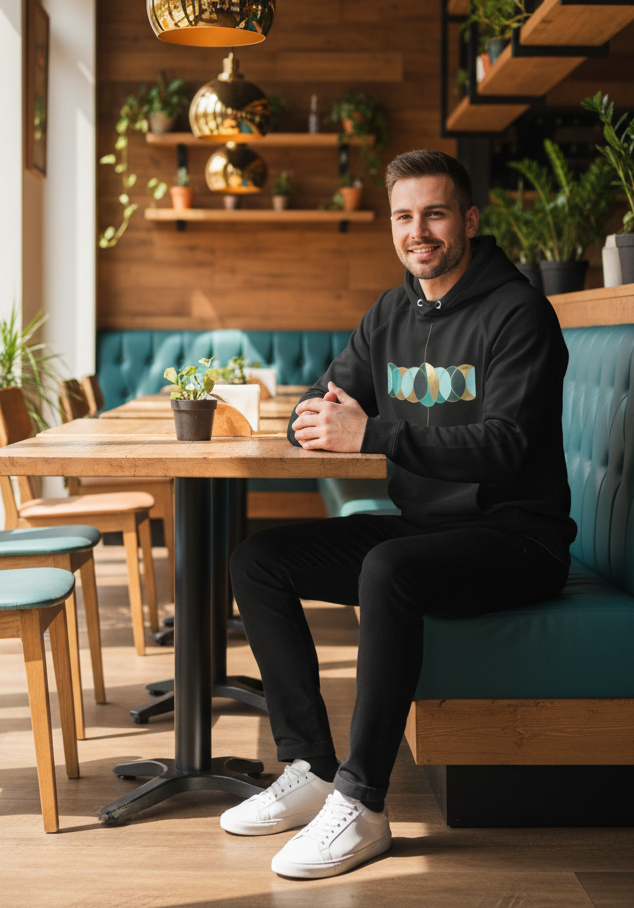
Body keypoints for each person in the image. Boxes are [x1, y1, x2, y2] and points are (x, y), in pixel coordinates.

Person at [221, 149, 576, 879]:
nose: (419, 231)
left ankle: (364, 804)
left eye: (436, 213)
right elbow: (327, 401)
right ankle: (310, 767)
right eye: (404, 216)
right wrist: (311, 420)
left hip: (517, 539)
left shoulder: (520, 313)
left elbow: (508, 447)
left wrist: (373, 433)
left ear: (469, 220)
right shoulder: (389, 312)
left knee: (389, 568)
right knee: (258, 559)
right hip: (427, 531)